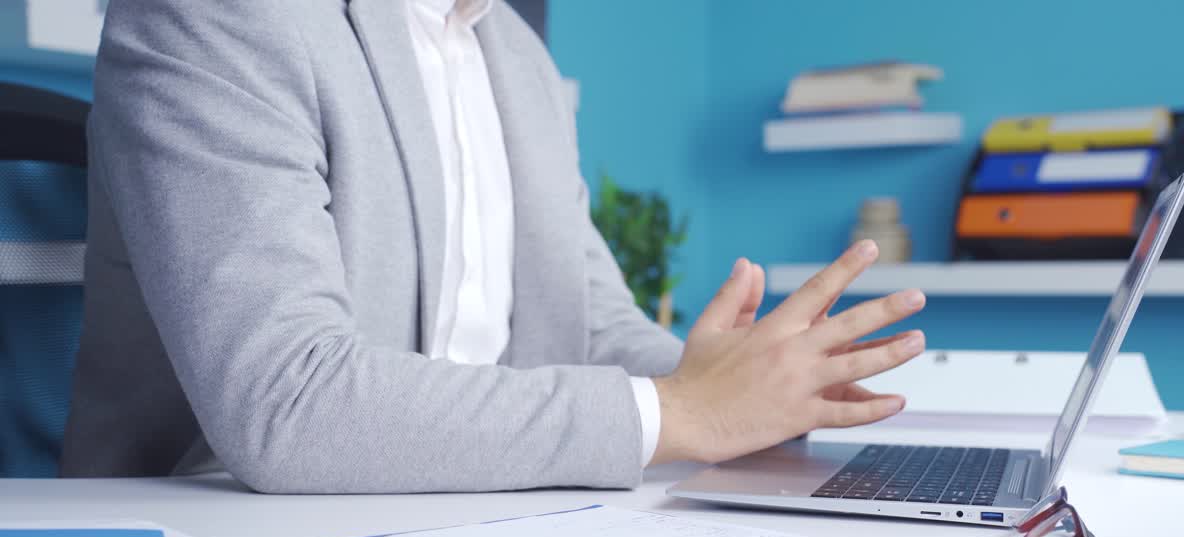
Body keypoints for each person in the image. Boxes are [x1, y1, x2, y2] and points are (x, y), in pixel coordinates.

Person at [60, 0, 926, 492]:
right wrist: (687, 412)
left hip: (480, 520)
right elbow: (286, 402)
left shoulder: (515, 54)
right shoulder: (217, 14)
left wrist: (756, 395)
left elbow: (591, 327)